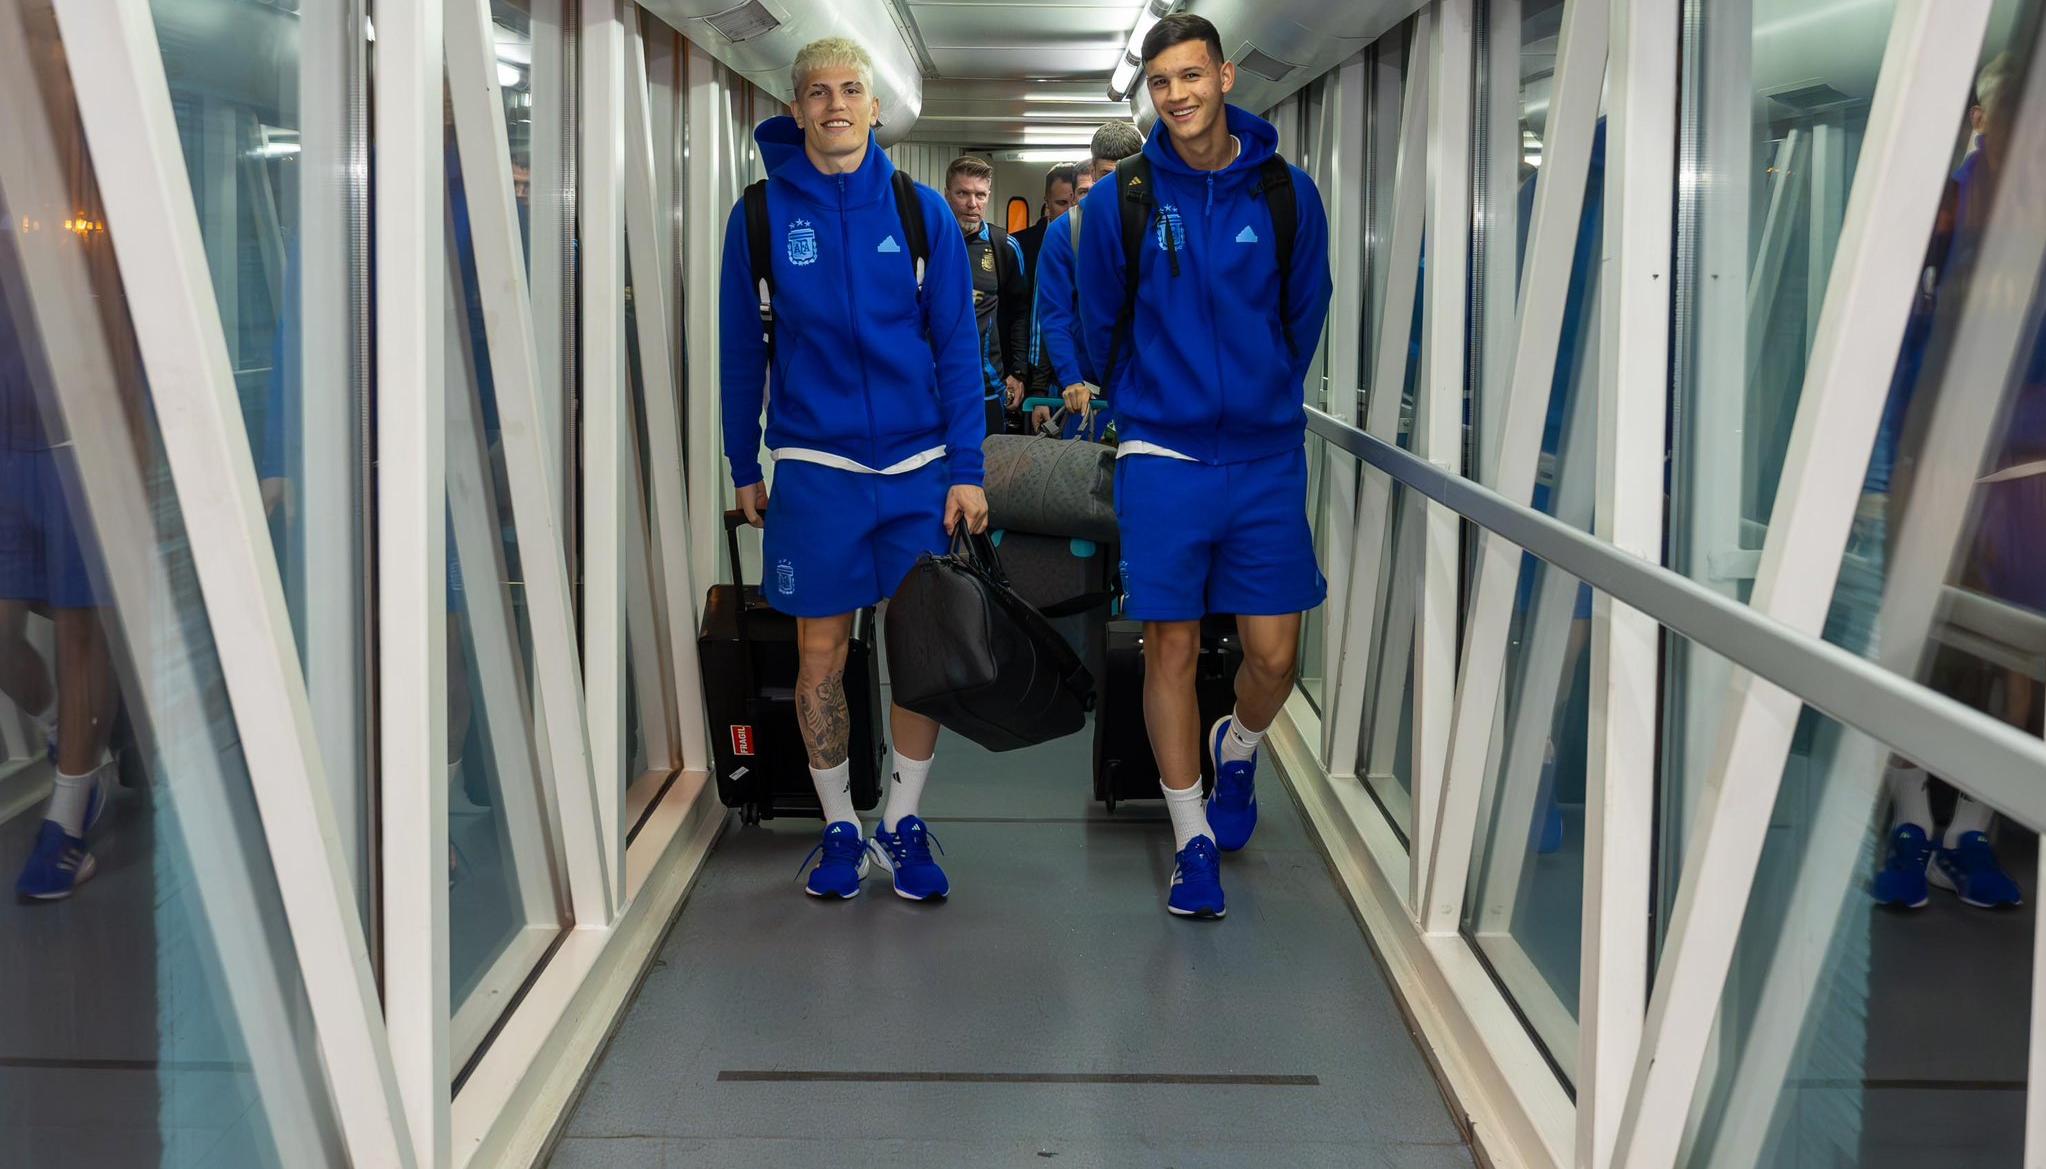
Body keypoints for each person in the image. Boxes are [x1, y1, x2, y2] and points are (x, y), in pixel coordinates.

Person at [1073, 13, 1331, 918]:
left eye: (1191, 76)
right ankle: (1191, 842)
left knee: (1275, 653)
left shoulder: (1287, 195)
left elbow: (1302, 319)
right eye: (1160, 83)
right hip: (1164, 455)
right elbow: (1101, 323)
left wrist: (1258, 395)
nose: (1176, 95)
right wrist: (1149, 399)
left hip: (1263, 457)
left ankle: (1239, 749)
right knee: (1169, 645)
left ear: (1226, 76)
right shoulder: (1123, 202)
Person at [719, 36, 989, 901]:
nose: (834, 105)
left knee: (921, 655)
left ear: (876, 110)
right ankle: (840, 824)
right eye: (817, 92)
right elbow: (738, 352)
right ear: (796, 110)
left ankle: (903, 825)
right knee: (820, 655)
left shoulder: (920, 215)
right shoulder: (760, 218)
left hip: (917, 468)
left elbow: (955, 347)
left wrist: (967, 467)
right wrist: (742, 460)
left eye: (850, 91)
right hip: (817, 469)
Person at [1872, 52, 2038, 911]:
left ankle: (1972, 824)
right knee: (1921, 647)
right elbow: (1898, 350)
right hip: (1936, 468)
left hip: (2032, 475)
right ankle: (1908, 814)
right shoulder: (1945, 208)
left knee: (2021, 658)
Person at [4, 281, 121, 902]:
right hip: (9, 451)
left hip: (78, 447)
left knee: (82, 626)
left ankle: (67, 820)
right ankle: (63, 736)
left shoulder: (72, 204)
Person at [1027, 123, 1144, 425]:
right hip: (1091, 394)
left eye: (1126, 172)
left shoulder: (1160, 223)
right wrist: (1071, 380)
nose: (1117, 184)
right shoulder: (1065, 232)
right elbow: (1055, 315)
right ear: (1092, 171)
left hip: (1149, 388)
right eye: (1107, 174)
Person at [943, 155, 1030, 435]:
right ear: (947, 194)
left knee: (986, 474)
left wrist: (1017, 372)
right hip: (933, 387)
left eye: (980, 195)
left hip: (987, 389)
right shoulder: (929, 242)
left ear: (988, 196)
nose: (972, 204)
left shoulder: (1004, 245)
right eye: (963, 193)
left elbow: (1020, 311)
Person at [1011, 161, 1078, 287]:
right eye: (1062, 203)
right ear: (1047, 203)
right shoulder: (1017, 245)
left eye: (1076, 204)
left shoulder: (1096, 242)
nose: (1071, 211)